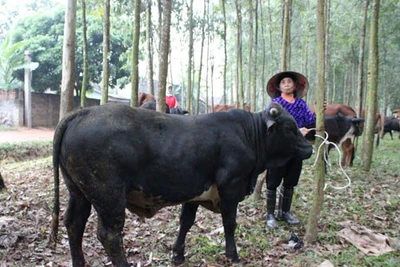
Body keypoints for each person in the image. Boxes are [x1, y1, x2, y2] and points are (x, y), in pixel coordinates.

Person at [265, 71, 316, 229]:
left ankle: (284, 212)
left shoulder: (301, 104)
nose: (286, 84)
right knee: (273, 181)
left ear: (295, 86)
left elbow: (309, 120)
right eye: (283, 82)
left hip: (296, 147)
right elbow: (269, 123)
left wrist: (318, 111)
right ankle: (270, 214)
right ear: (279, 87)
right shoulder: (275, 103)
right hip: (278, 147)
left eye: (289, 82)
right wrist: (295, 130)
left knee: (291, 181)